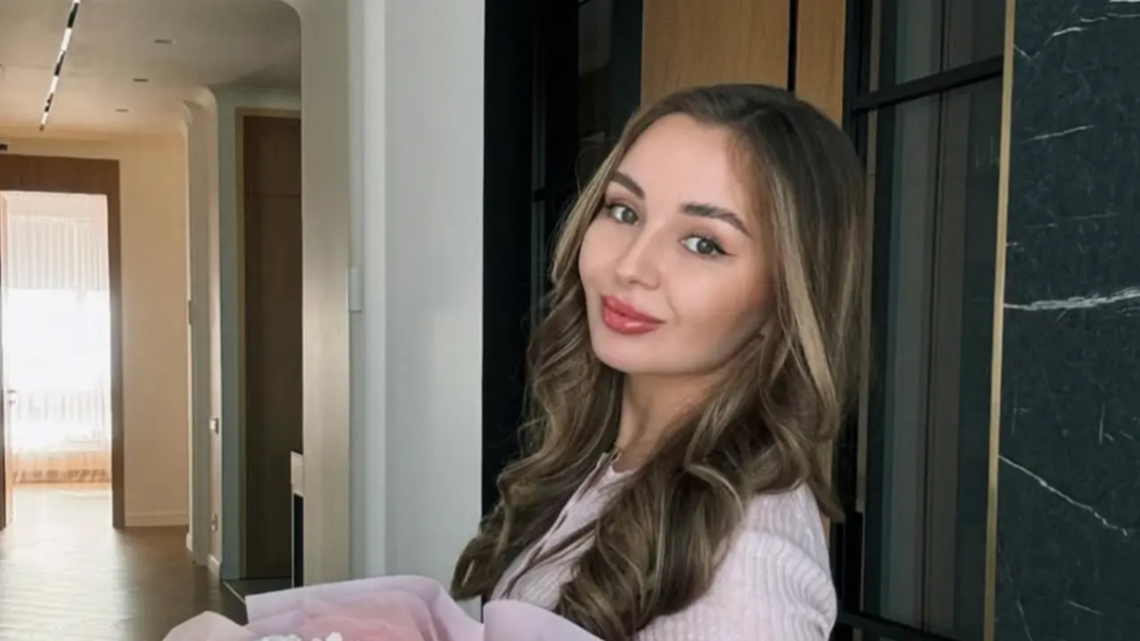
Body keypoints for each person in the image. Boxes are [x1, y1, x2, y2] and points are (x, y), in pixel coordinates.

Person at [450, 84, 868, 640]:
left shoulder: (746, 569)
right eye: (624, 211)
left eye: (703, 244)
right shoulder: (608, 460)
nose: (631, 266)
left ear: (785, 298)